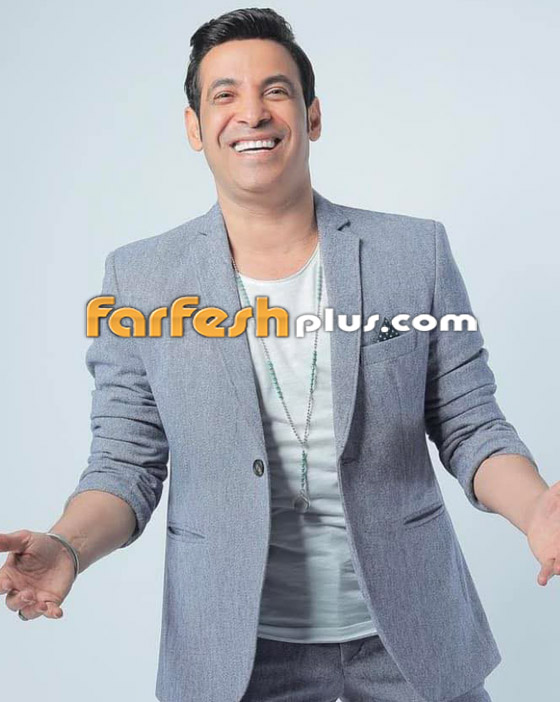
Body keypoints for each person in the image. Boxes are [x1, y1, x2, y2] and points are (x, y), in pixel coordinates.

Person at [1, 8, 558, 702]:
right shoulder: (140, 282)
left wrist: (536, 510)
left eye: (275, 90)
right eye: (224, 94)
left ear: (311, 115)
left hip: (413, 637)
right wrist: (68, 546)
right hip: (234, 653)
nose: (252, 113)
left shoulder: (414, 254)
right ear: (194, 127)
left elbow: (471, 426)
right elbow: (125, 464)